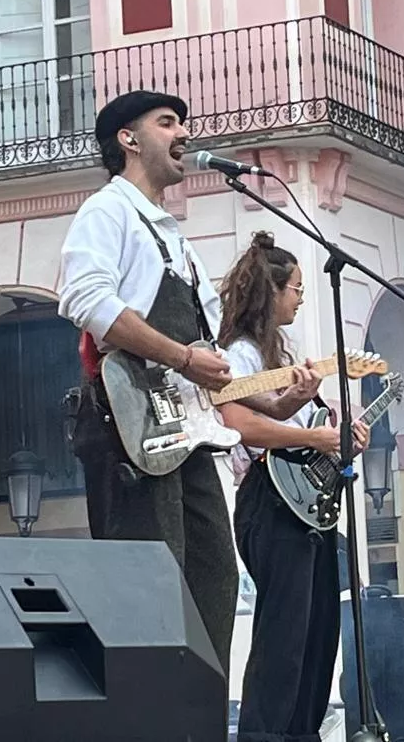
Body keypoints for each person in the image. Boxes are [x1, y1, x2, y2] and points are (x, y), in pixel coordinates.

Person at [58, 89, 239, 676]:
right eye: (168, 123)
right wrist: (183, 359)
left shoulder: (176, 240)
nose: (184, 131)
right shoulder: (106, 212)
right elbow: (87, 301)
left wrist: (274, 397)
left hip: (184, 433)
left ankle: (198, 715)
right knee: (151, 592)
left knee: (215, 576)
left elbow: (210, 351)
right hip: (128, 431)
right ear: (128, 140)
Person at [214, 231, 367, 742]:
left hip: (307, 503)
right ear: (272, 292)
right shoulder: (239, 355)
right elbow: (240, 423)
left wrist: (340, 434)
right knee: (284, 633)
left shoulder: (282, 354)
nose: (301, 297)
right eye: (296, 288)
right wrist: (313, 435)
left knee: (319, 630)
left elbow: (303, 432)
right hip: (268, 500)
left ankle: (303, 733)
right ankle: (264, 735)